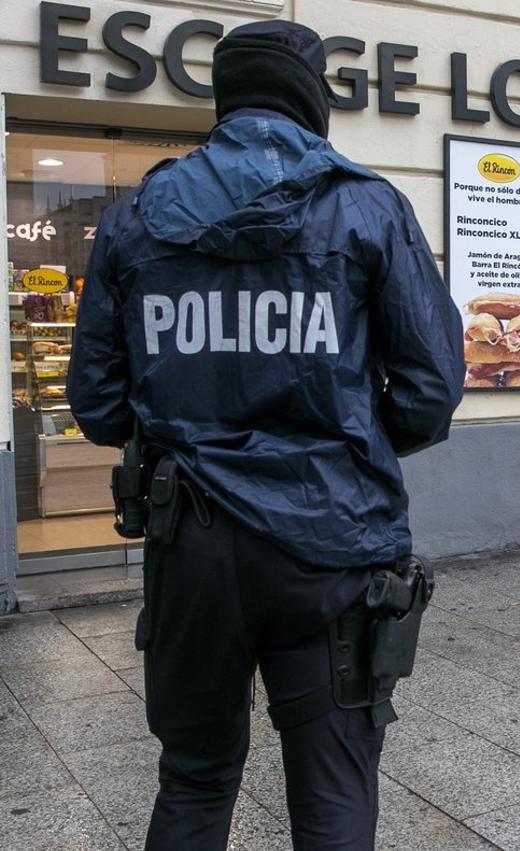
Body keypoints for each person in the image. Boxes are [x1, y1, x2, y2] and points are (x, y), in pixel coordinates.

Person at [66, 21, 464, 851]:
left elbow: (98, 408)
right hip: (332, 548)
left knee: (195, 779)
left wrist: (190, 428)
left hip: (191, 550)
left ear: (226, 99)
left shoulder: (134, 220)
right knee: (333, 794)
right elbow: (429, 393)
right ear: (311, 99)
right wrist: (344, 440)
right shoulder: (368, 208)